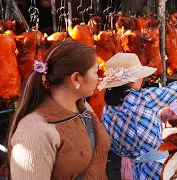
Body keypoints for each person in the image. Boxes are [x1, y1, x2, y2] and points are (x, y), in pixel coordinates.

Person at [7, 41, 110, 179]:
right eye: (96, 71)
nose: (99, 78)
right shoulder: (35, 131)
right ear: (76, 78)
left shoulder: (84, 108)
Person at [98, 53, 177, 180]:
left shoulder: (107, 107)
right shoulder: (144, 97)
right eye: (140, 77)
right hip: (154, 168)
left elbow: (111, 143)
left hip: (128, 168)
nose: (142, 80)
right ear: (132, 80)